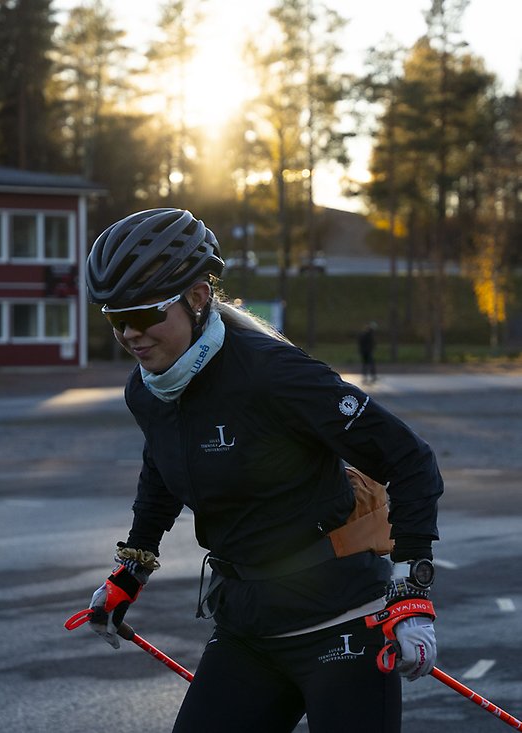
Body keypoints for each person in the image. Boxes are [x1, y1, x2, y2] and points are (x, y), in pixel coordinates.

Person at [82, 209, 443, 732]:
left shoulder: (272, 373)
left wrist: (412, 591)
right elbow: (162, 469)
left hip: (341, 620)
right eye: (116, 319)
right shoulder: (148, 389)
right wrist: (130, 572)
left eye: (144, 315)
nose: (131, 334)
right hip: (247, 624)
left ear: (198, 296)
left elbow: (410, 461)